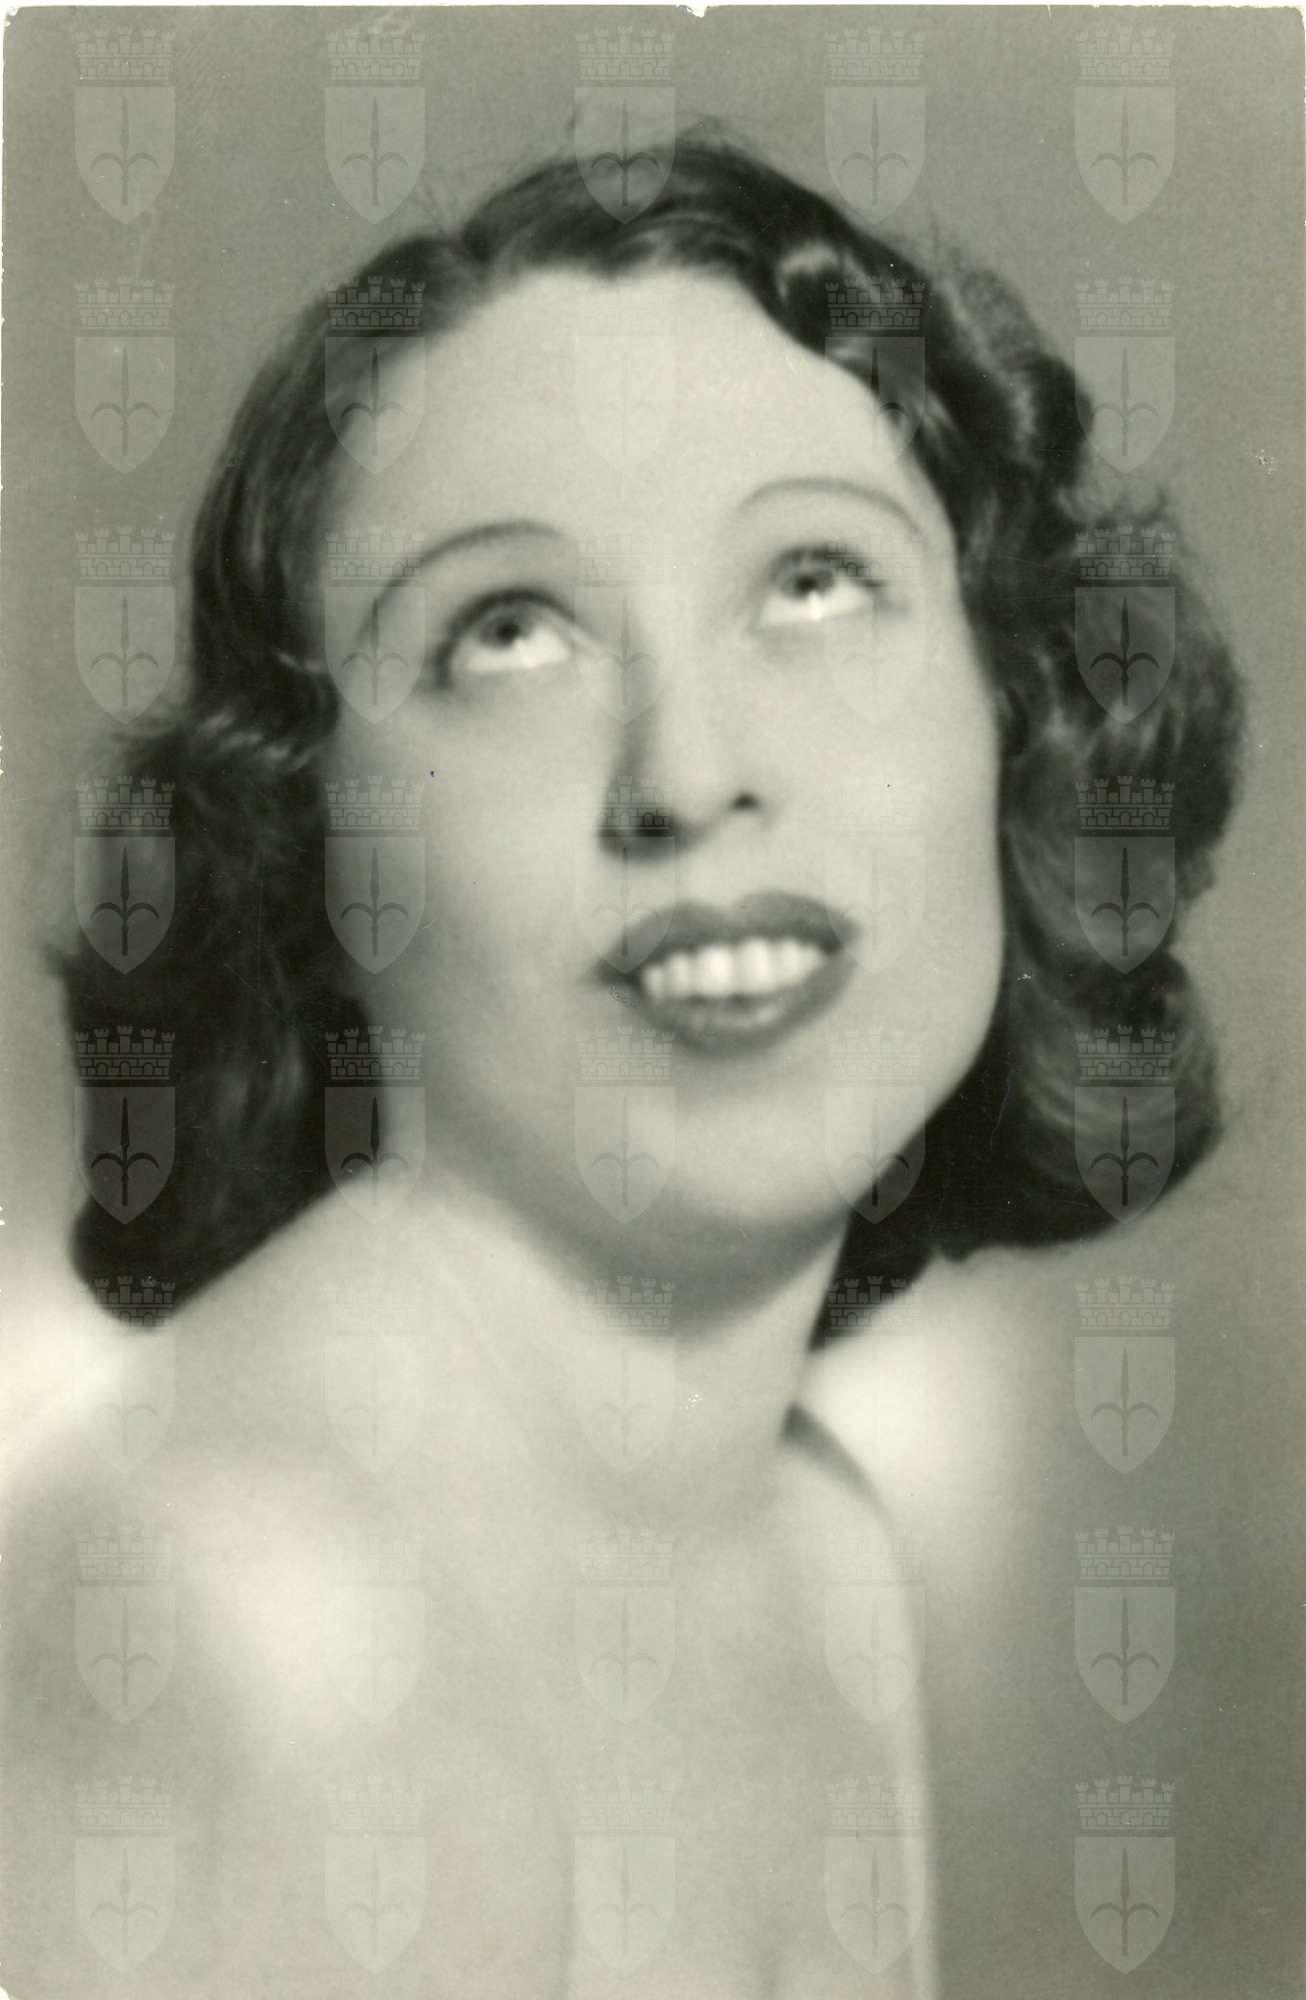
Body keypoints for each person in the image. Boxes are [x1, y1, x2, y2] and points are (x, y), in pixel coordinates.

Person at [5, 131, 1240, 1996]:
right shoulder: (242, 1613)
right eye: (508, 634)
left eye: (813, 582)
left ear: (1018, 711)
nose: (688, 771)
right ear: (308, 849)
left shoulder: (819, 1550)